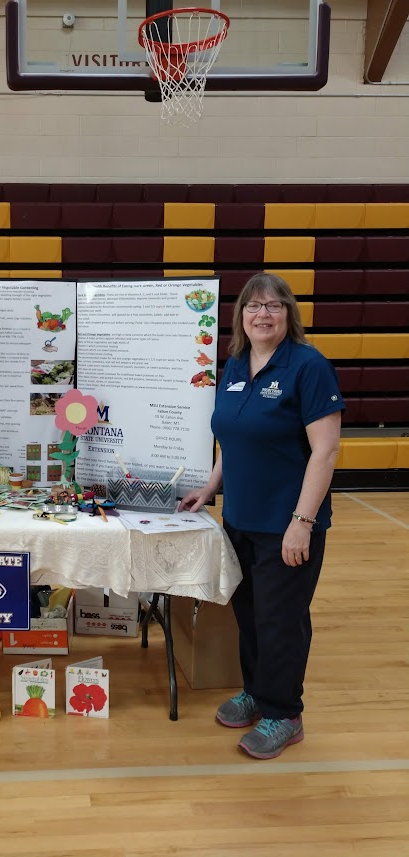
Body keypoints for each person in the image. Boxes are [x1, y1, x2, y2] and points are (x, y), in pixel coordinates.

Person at [179, 273, 344, 759]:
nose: (263, 314)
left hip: (287, 522)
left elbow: (326, 452)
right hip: (241, 519)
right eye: (254, 306)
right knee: (248, 615)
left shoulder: (308, 366)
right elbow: (234, 437)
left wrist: (302, 521)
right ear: (241, 316)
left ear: (288, 313)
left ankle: (284, 714)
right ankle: (256, 691)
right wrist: (211, 486)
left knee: (281, 620)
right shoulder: (234, 365)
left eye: (274, 305)